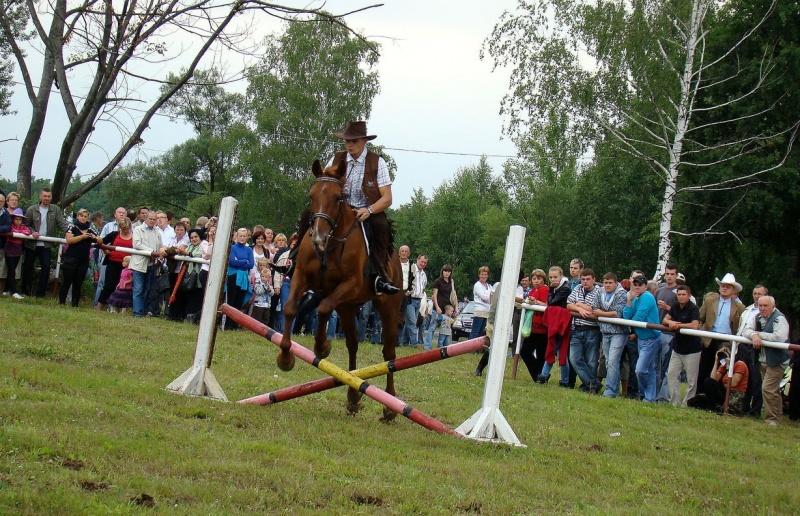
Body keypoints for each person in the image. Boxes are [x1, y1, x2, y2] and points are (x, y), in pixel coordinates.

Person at [741, 295, 790, 425]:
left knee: (767, 389)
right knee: (772, 390)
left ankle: (771, 419)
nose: (762, 308)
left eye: (765, 306)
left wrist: (758, 336)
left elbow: (780, 337)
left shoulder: (779, 319)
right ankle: (776, 416)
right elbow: (745, 330)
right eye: (760, 306)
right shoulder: (757, 317)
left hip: (777, 361)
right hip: (762, 360)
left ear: (773, 307)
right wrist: (753, 334)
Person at [697, 273, 746, 395]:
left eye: (727, 286)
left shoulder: (739, 307)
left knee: (722, 369)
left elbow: (740, 326)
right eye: (723, 286)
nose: (724, 288)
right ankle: (700, 395)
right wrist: (701, 333)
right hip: (709, 339)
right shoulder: (709, 301)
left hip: (726, 341)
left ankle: (716, 396)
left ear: (733, 290)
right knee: (704, 368)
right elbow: (700, 317)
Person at [22, 187, 69, 298]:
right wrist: (33, 232)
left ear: (51, 197)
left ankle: (40, 293)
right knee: (27, 267)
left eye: (48, 196)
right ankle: (25, 291)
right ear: (40, 196)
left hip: (46, 245)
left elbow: (62, 223)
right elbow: (25, 225)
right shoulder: (32, 209)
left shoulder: (55, 209)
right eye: (45, 196)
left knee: (46, 268)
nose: (46, 198)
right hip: (31, 244)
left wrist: (69, 232)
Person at [623, 275, 662, 402]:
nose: (637, 287)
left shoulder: (647, 297)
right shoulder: (635, 298)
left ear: (645, 286)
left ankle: (644, 393)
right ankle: (649, 397)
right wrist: (629, 300)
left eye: (640, 285)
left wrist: (630, 321)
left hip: (651, 338)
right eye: (635, 285)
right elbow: (626, 315)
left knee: (640, 369)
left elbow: (638, 317)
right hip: (642, 338)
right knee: (649, 370)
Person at [662, 285, 702, 407]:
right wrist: (671, 322)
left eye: (683, 294)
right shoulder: (674, 306)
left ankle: (687, 404)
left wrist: (679, 325)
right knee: (671, 374)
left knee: (691, 380)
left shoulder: (693, 308)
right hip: (677, 347)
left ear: (689, 296)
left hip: (692, 349)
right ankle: (675, 402)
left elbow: (695, 325)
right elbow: (664, 320)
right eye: (679, 294)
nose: (681, 297)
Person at [591, 272, 629, 398]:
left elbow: (618, 312)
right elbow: (594, 308)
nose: (607, 285)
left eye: (610, 283)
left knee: (613, 361)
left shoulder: (622, 293)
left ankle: (610, 391)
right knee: (608, 362)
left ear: (615, 283)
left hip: (619, 332)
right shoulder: (600, 292)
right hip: (605, 331)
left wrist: (601, 313)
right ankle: (613, 389)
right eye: (605, 282)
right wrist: (604, 313)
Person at [567, 268, 603, 394]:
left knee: (591, 361)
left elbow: (594, 309)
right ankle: (592, 383)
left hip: (592, 329)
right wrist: (580, 308)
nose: (585, 282)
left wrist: (578, 305)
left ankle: (588, 386)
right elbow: (568, 303)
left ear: (594, 279)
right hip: (577, 328)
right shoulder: (577, 289)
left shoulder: (599, 291)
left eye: (588, 279)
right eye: (583, 279)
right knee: (574, 358)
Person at [688, 343, 749, 414]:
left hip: (734, 394)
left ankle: (714, 408)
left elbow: (733, 383)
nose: (724, 354)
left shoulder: (740, 364)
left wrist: (729, 366)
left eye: (726, 351)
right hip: (724, 393)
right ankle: (715, 408)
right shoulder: (723, 366)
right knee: (693, 402)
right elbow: (713, 380)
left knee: (708, 383)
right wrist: (716, 361)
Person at [59, 208, 102, 307]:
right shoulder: (72, 227)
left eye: (85, 216)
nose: (83, 218)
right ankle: (61, 302)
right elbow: (69, 240)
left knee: (78, 283)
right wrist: (82, 237)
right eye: (81, 216)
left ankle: (75, 304)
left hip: (83, 260)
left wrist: (94, 238)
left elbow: (100, 240)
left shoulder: (91, 229)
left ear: (88, 218)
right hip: (71, 258)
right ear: (78, 216)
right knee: (67, 281)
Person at [537, 266, 573, 385]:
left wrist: (551, 290)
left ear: (561, 276)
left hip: (562, 324)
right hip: (555, 323)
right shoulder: (557, 287)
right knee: (554, 350)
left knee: (559, 351)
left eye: (555, 277)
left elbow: (551, 302)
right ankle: (549, 376)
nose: (553, 279)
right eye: (551, 277)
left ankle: (548, 376)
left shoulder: (565, 288)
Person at [736, 284, 768, 417]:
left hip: (757, 349)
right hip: (743, 345)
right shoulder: (747, 310)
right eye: (755, 293)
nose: (756, 296)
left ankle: (755, 410)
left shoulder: (769, 312)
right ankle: (742, 406)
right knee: (744, 377)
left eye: (759, 294)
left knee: (756, 380)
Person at [131, 211, 167, 317]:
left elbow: (160, 245)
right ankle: (137, 313)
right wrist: (151, 251)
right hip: (139, 264)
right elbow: (136, 244)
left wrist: (163, 251)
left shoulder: (157, 232)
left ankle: (145, 311)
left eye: (154, 219)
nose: (152, 221)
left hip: (152, 264)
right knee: (138, 289)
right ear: (145, 219)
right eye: (150, 219)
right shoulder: (138, 229)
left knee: (148, 290)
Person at [654, 263, 680, 402]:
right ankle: (653, 394)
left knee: (666, 367)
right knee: (655, 366)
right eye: (667, 273)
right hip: (657, 331)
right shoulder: (659, 290)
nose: (669, 276)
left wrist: (667, 307)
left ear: (676, 275)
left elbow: (681, 314)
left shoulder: (679, 292)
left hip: (670, 334)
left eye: (672, 274)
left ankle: (663, 396)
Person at [96, 217, 133, 311]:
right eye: (123, 228)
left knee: (123, 287)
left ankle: (119, 308)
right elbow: (101, 242)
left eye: (127, 228)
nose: (125, 230)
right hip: (112, 263)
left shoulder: (134, 236)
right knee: (108, 286)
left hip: (127, 266)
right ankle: (99, 307)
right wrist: (105, 250)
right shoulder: (114, 234)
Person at [519, 269, 549, 382]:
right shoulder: (532, 290)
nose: (536, 281)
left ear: (543, 279)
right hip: (532, 326)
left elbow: (546, 303)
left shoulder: (545, 289)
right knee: (525, 352)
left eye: (539, 278)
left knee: (541, 354)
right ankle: (538, 375)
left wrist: (535, 302)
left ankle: (540, 376)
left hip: (542, 326)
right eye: (534, 278)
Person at [423, 264, 459, 350]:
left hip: (448, 309)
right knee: (432, 327)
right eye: (445, 271)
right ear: (442, 271)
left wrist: (456, 307)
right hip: (438, 308)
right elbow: (434, 295)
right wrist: (437, 306)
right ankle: (427, 346)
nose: (447, 273)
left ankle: (443, 347)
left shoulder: (452, 282)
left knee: (445, 329)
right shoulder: (438, 281)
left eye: (448, 271)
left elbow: (454, 295)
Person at [226, 228, 255, 330]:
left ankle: (234, 324)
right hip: (233, 276)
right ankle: (227, 324)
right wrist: (244, 261)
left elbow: (251, 264)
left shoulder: (249, 250)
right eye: (240, 236)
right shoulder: (232, 247)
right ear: (237, 236)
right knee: (231, 300)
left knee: (239, 301)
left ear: (247, 237)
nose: (242, 238)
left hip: (243, 278)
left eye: (244, 236)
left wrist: (240, 261)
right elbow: (232, 262)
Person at [4, 210, 31, 299]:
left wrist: (19, 233)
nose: (18, 221)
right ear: (13, 219)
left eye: (20, 219)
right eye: (16, 219)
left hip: (18, 249)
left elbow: (28, 232)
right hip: (10, 248)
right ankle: (13, 291)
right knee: (12, 270)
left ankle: (6, 289)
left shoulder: (23, 227)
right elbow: (10, 231)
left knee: (12, 269)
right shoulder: (10, 226)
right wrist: (19, 233)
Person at [403, 254, 428, 347]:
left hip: (418, 300)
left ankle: (404, 342)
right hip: (410, 299)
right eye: (421, 261)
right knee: (412, 322)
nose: (423, 264)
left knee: (409, 322)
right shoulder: (411, 269)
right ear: (417, 260)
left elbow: (424, 287)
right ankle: (415, 344)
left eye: (425, 263)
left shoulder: (423, 274)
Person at [470, 266, 493, 341]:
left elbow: (493, 296)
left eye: (485, 274)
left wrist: (491, 297)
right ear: (479, 275)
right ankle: (471, 348)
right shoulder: (477, 285)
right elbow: (484, 297)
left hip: (487, 311)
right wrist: (490, 297)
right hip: (479, 310)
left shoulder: (489, 286)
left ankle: (477, 350)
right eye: (482, 274)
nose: (484, 276)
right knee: (475, 331)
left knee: (481, 332)